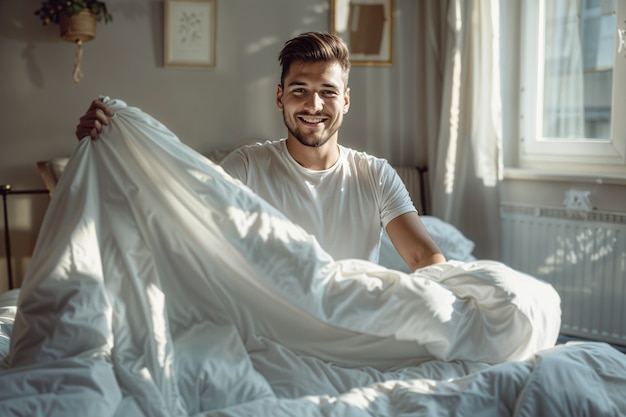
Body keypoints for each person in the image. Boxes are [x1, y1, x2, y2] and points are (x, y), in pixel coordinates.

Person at [75, 32, 446, 271]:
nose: (313, 105)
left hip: (352, 320)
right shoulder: (247, 166)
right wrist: (113, 139)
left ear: (345, 101)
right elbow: (177, 199)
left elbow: (423, 256)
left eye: (328, 92)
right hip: (275, 327)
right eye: (299, 89)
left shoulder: (376, 175)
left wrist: (431, 301)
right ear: (280, 97)